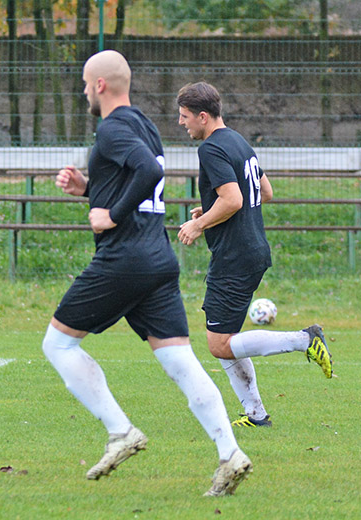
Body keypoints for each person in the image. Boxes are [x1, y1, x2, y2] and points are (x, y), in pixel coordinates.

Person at [41, 51, 250, 497]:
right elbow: (141, 177)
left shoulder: (113, 126)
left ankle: (121, 432)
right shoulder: (145, 126)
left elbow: (148, 171)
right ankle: (230, 453)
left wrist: (110, 214)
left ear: (99, 85)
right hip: (157, 258)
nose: (83, 92)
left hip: (124, 260)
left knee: (57, 343)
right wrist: (88, 191)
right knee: (179, 360)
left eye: (84, 83)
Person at [176, 81, 333, 428]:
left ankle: (305, 340)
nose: (181, 122)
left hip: (235, 257)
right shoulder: (238, 140)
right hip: (251, 250)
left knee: (219, 344)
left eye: (185, 116)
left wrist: (200, 224)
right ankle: (256, 415)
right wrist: (208, 213)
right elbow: (265, 191)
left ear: (203, 116)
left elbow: (233, 200)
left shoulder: (211, 149)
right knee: (226, 338)